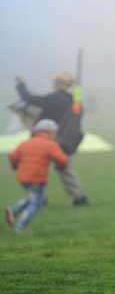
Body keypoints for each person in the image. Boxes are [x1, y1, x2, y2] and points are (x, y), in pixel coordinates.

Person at [14, 74, 89, 206]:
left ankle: (39, 198)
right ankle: (79, 197)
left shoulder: (53, 98)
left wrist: (21, 84)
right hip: (65, 140)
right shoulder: (75, 101)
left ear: (58, 84)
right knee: (65, 169)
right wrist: (77, 93)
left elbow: (28, 98)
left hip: (46, 139)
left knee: (37, 167)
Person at [5, 119, 68, 232]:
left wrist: (15, 166)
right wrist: (61, 166)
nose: (55, 135)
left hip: (23, 177)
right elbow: (62, 159)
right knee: (36, 203)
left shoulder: (26, 143)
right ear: (48, 132)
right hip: (36, 178)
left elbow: (12, 156)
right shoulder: (50, 144)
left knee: (33, 198)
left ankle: (13, 210)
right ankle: (20, 227)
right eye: (54, 132)